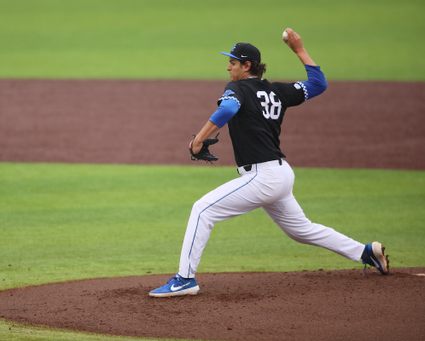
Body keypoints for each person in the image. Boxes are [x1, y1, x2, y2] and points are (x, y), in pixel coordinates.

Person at [149, 28, 389, 298]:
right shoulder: (278, 91)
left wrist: (199, 140)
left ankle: (185, 279)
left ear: (247, 66)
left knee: (202, 210)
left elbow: (227, 109)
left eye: (233, 62)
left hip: (262, 177)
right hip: (280, 174)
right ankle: (365, 251)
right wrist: (299, 49)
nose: (228, 67)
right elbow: (318, 84)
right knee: (302, 230)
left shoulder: (237, 88)